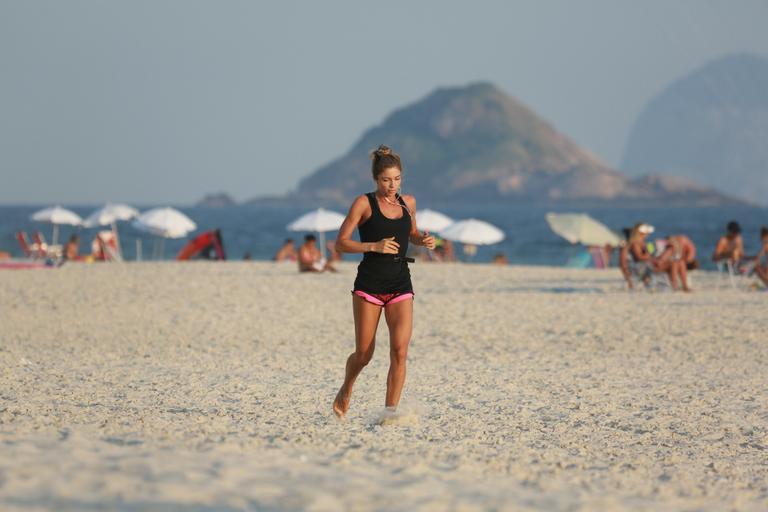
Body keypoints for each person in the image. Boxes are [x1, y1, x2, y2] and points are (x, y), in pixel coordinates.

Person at [331, 145, 435, 418]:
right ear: (376, 179)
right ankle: (347, 386)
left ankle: (390, 412)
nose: (392, 185)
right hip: (369, 285)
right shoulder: (363, 203)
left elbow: (410, 232)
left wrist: (421, 240)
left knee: (400, 351)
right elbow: (341, 243)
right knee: (364, 354)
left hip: (401, 283)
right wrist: (373, 247)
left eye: (397, 179)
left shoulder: (407, 202)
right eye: (387, 180)